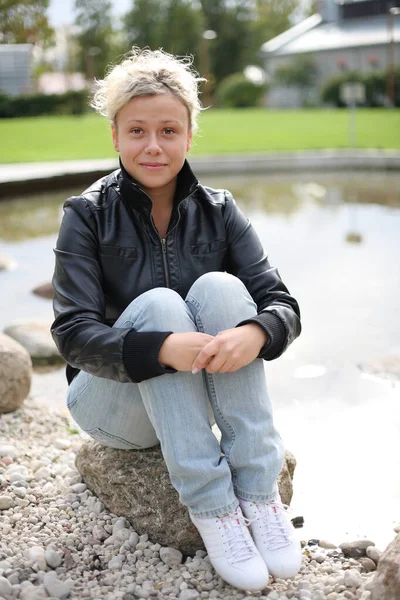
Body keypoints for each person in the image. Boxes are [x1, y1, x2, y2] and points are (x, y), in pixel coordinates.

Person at [51, 47, 302, 592]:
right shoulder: (86, 215)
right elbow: (71, 334)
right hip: (110, 404)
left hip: (188, 397)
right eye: (137, 131)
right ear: (115, 136)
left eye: (168, 130)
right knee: (163, 304)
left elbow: (282, 303)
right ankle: (213, 508)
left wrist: (256, 332)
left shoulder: (220, 209)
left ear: (189, 134)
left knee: (223, 288)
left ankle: (259, 497)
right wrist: (159, 348)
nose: (153, 146)